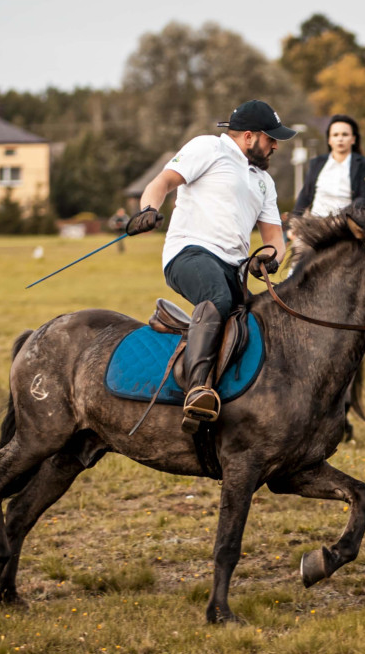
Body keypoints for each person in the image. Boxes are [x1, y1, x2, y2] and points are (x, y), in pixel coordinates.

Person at [125, 100, 294, 433]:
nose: (275, 145)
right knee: (217, 297)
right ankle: (197, 390)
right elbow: (162, 183)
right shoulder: (208, 148)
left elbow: (274, 236)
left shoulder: (264, 182)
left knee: (255, 321)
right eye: (270, 138)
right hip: (189, 253)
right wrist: (147, 208)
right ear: (248, 137)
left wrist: (271, 258)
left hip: (235, 267)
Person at [292, 114, 365, 347]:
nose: (340, 139)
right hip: (314, 226)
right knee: (295, 270)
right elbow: (306, 195)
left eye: (345, 135)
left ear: (353, 139)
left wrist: (343, 220)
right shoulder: (317, 163)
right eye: (335, 135)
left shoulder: (361, 164)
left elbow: (363, 197)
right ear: (329, 139)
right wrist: (294, 225)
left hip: (346, 226)